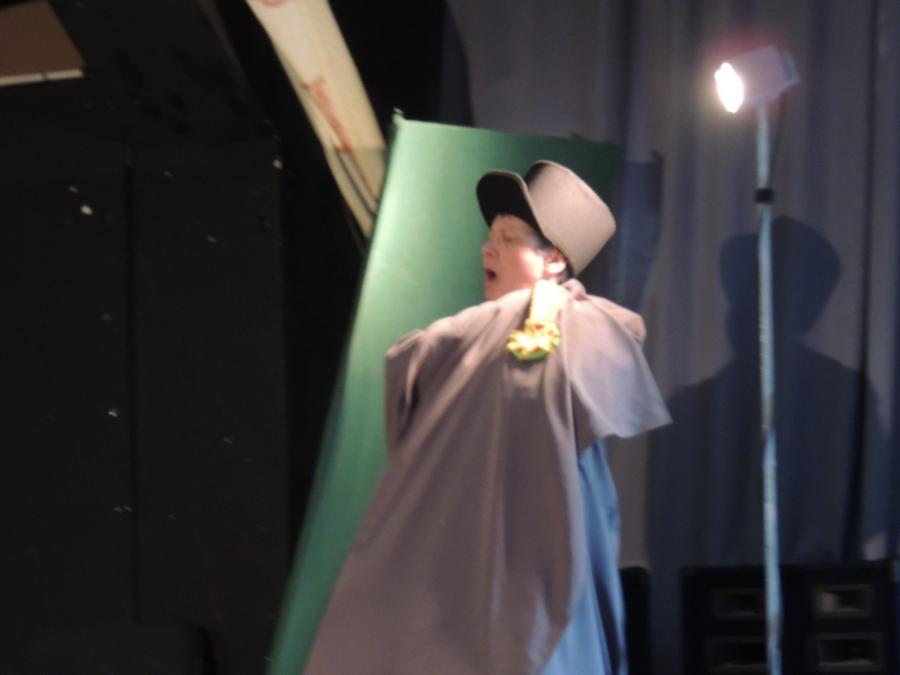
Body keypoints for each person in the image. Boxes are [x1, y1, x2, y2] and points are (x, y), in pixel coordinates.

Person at [304, 160, 670, 675]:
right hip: (469, 559)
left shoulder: (575, 325)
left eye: (507, 238)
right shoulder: (492, 334)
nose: (487, 249)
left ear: (554, 260)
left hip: (539, 558)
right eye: (490, 236)